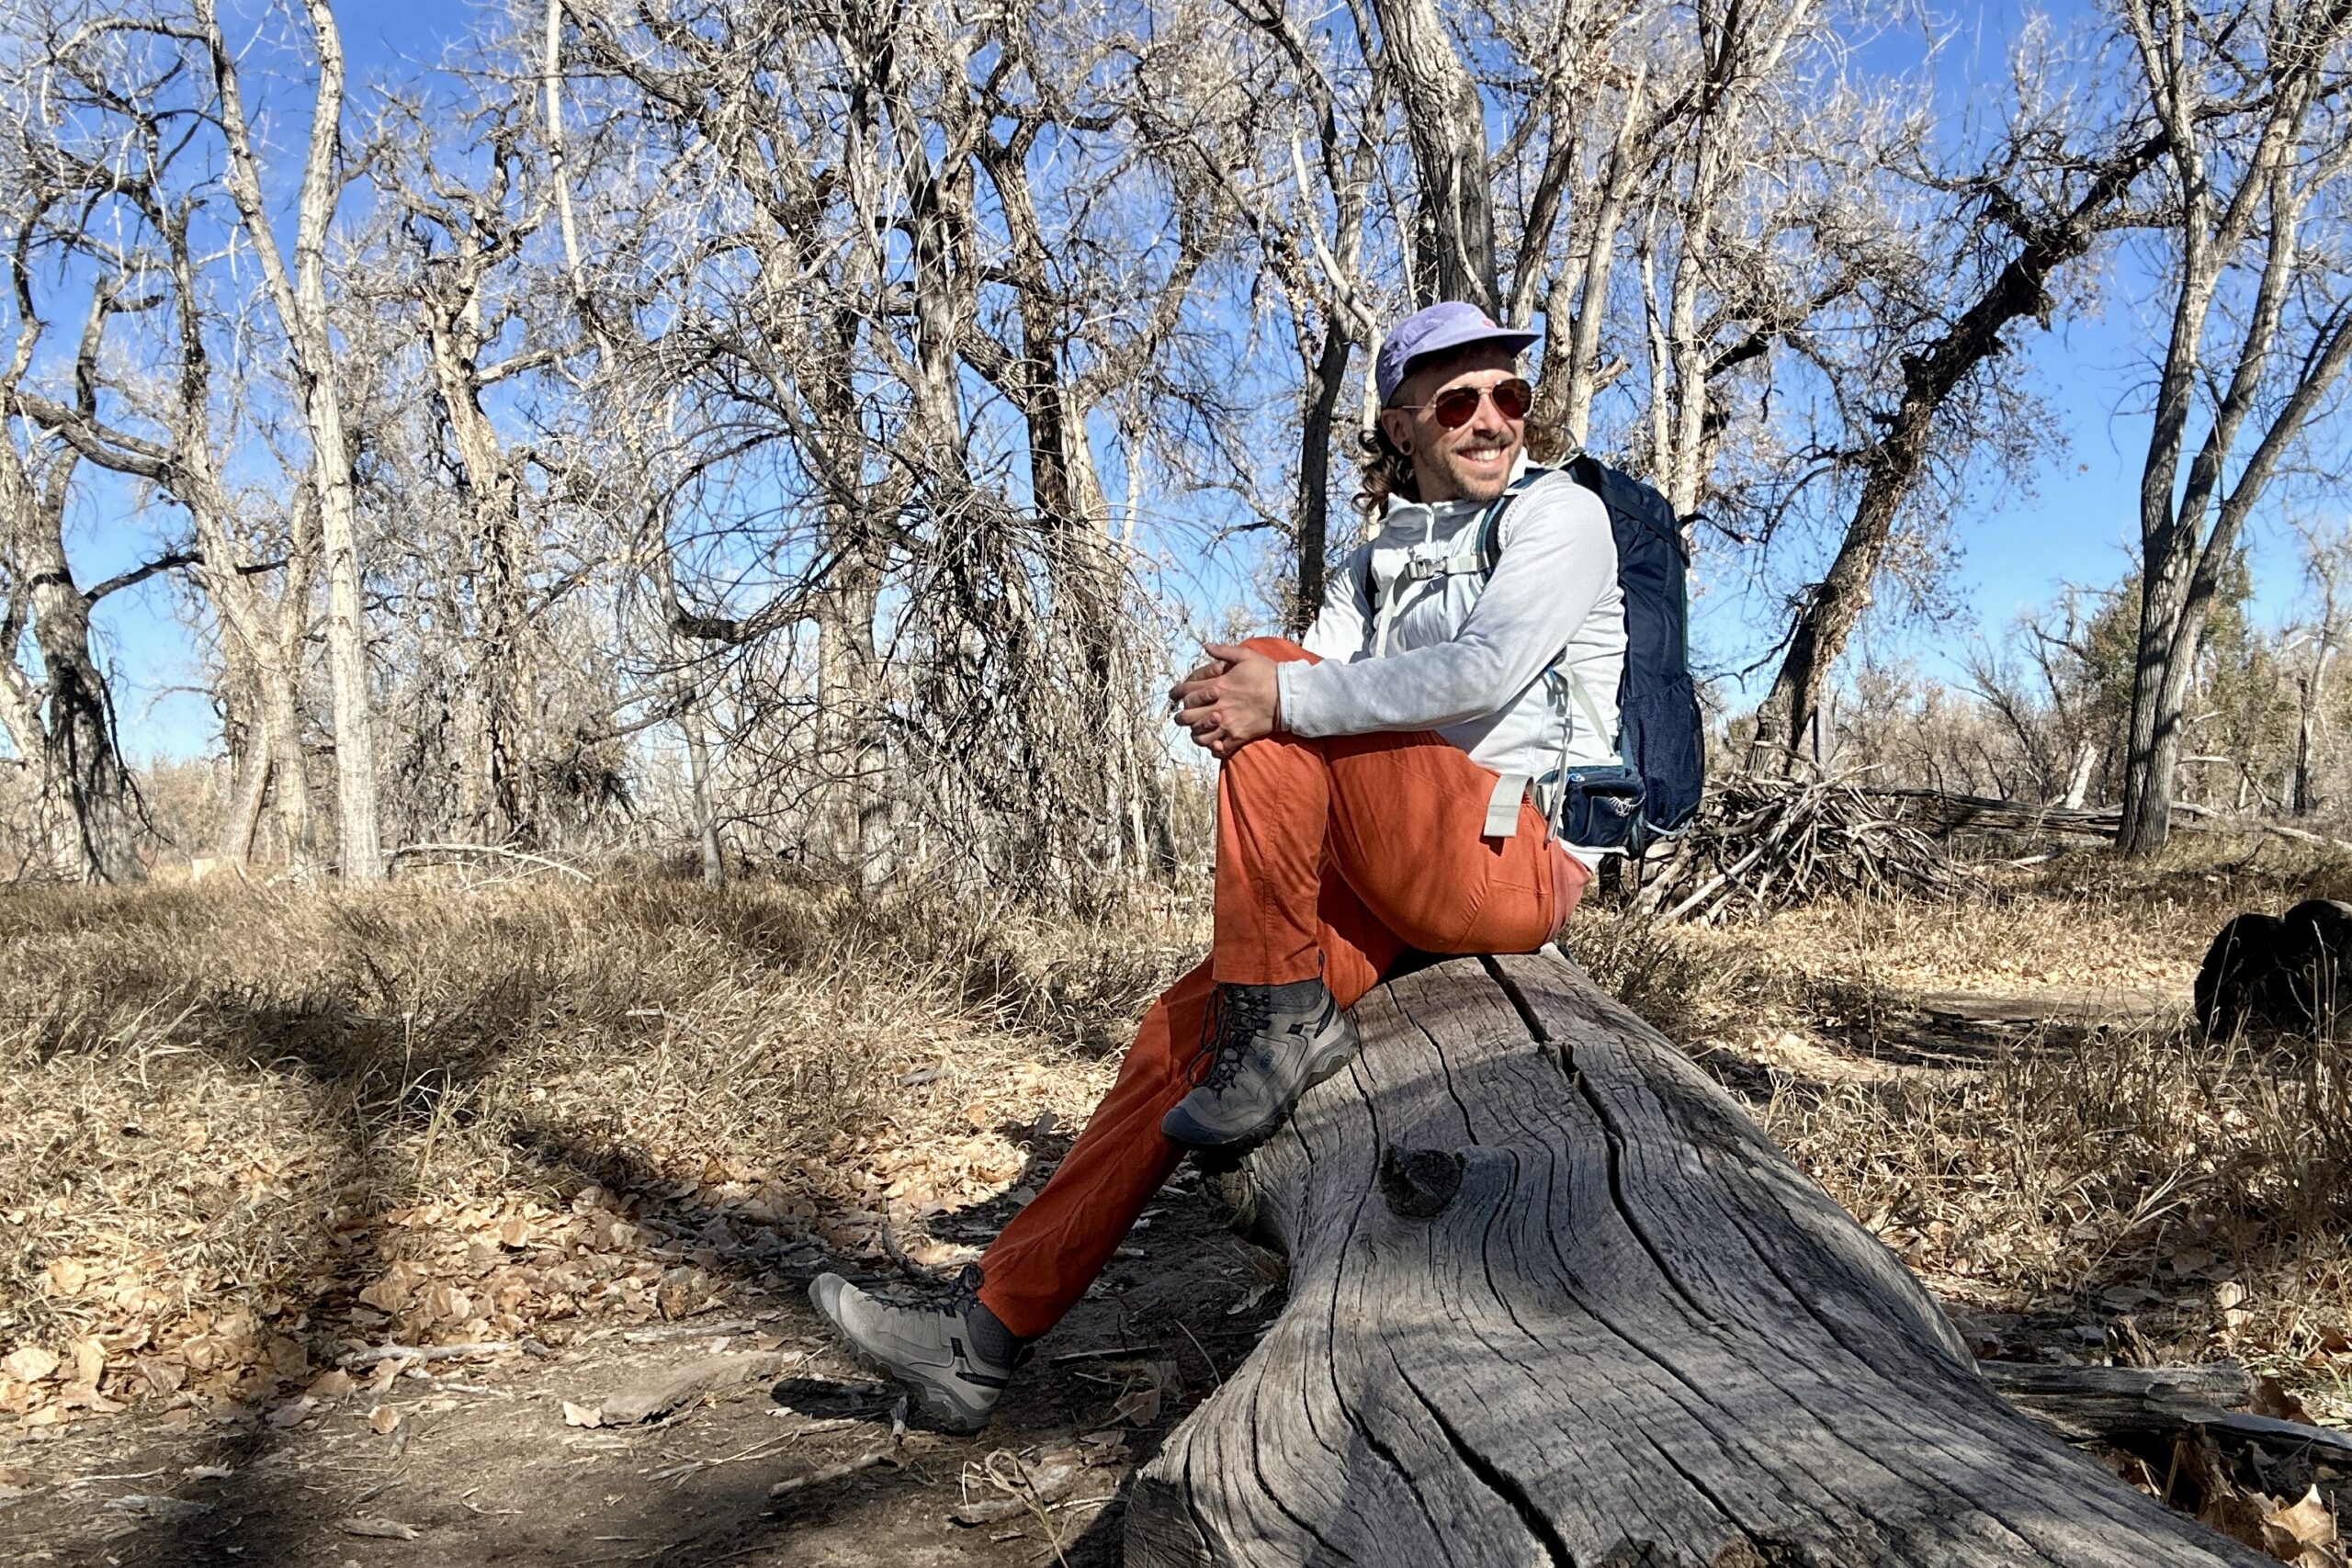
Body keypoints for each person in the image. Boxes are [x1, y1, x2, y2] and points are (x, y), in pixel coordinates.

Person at [808, 301, 1629, 1432]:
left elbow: (1480, 676)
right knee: (1177, 1035)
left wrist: (1273, 690)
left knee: (1279, 681)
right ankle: (982, 1336)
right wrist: (1243, 696)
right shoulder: (1377, 558)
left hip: (1510, 860)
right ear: (1400, 425)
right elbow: (1299, 718)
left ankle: (1277, 1019)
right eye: (1458, 403)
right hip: (1399, 871)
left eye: (1509, 396)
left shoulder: (1563, 518)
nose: (1491, 421)